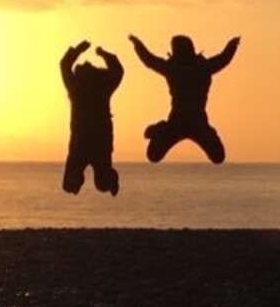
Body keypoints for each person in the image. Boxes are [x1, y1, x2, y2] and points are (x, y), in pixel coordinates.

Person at [128, 34, 240, 164]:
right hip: (179, 121)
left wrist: (137, 44)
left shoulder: (187, 68)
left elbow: (150, 61)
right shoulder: (194, 67)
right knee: (153, 156)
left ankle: (161, 129)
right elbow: (223, 59)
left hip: (196, 121)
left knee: (218, 157)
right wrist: (232, 45)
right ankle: (161, 129)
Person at [60, 40, 124, 196]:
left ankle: (106, 179)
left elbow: (64, 65)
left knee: (100, 184)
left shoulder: (78, 87)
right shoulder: (99, 87)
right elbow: (118, 71)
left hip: (90, 144)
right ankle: (101, 179)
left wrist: (80, 49)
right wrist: (103, 54)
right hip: (92, 143)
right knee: (94, 184)